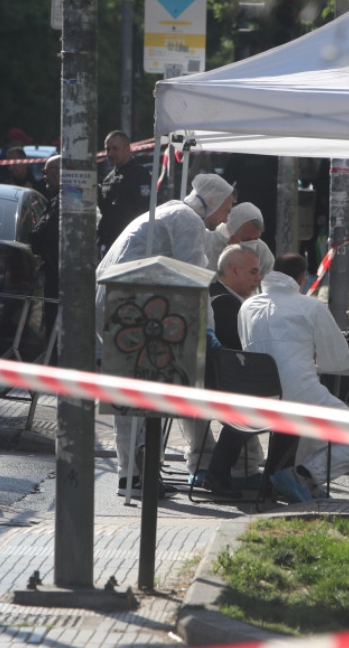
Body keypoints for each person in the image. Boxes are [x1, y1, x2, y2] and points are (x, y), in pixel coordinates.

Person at [96, 173, 234, 498]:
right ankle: (140, 473)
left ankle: (131, 476)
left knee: (128, 391)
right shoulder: (187, 220)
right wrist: (208, 327)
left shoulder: (170, 211)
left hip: (116, 299)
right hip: (132, 304)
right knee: (144, 389)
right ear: (213, 201)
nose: (226, 218)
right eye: (227, 209)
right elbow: (194, 279)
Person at [238, 253, 349, 503]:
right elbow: (337, 362)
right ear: (302, 278)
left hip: (257, 400)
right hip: (297, 396)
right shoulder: (311, 307)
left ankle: (297, 481)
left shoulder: (247, 307)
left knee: (312, 429)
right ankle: (303, 475)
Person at [193, 245, 271, 498]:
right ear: (234, 270)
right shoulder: (223, 303)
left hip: (222, 380)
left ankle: (231, 472)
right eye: (253, 272)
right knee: (265, 406)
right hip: (215, 383)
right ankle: (219, 473)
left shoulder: (226, 298)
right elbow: (238, 352)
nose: (258, 278)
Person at [97, 130, 151, 254]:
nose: (110, 153)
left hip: (132, 242)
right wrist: (100, 240)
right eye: (107, 149)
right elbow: (105, 215)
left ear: (127, 149)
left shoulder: (140, 175)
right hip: (110, 242)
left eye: (115, 149)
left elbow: (145, 210)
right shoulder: (108, 179)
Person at [29, 155, 62, 356]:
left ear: (58, 173)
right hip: (51, 273)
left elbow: (48, 235)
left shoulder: (66, 202)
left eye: (46, 172)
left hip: (59, 276)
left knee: (55, 325)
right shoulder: (55, 200)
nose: (44, 177)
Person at [204, 201, 275, 274]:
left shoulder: (263, 252)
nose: (252, 244)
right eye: (247, 239)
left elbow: (266, 278)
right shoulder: (207, 242)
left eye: (256, 239)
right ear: (231, 231)